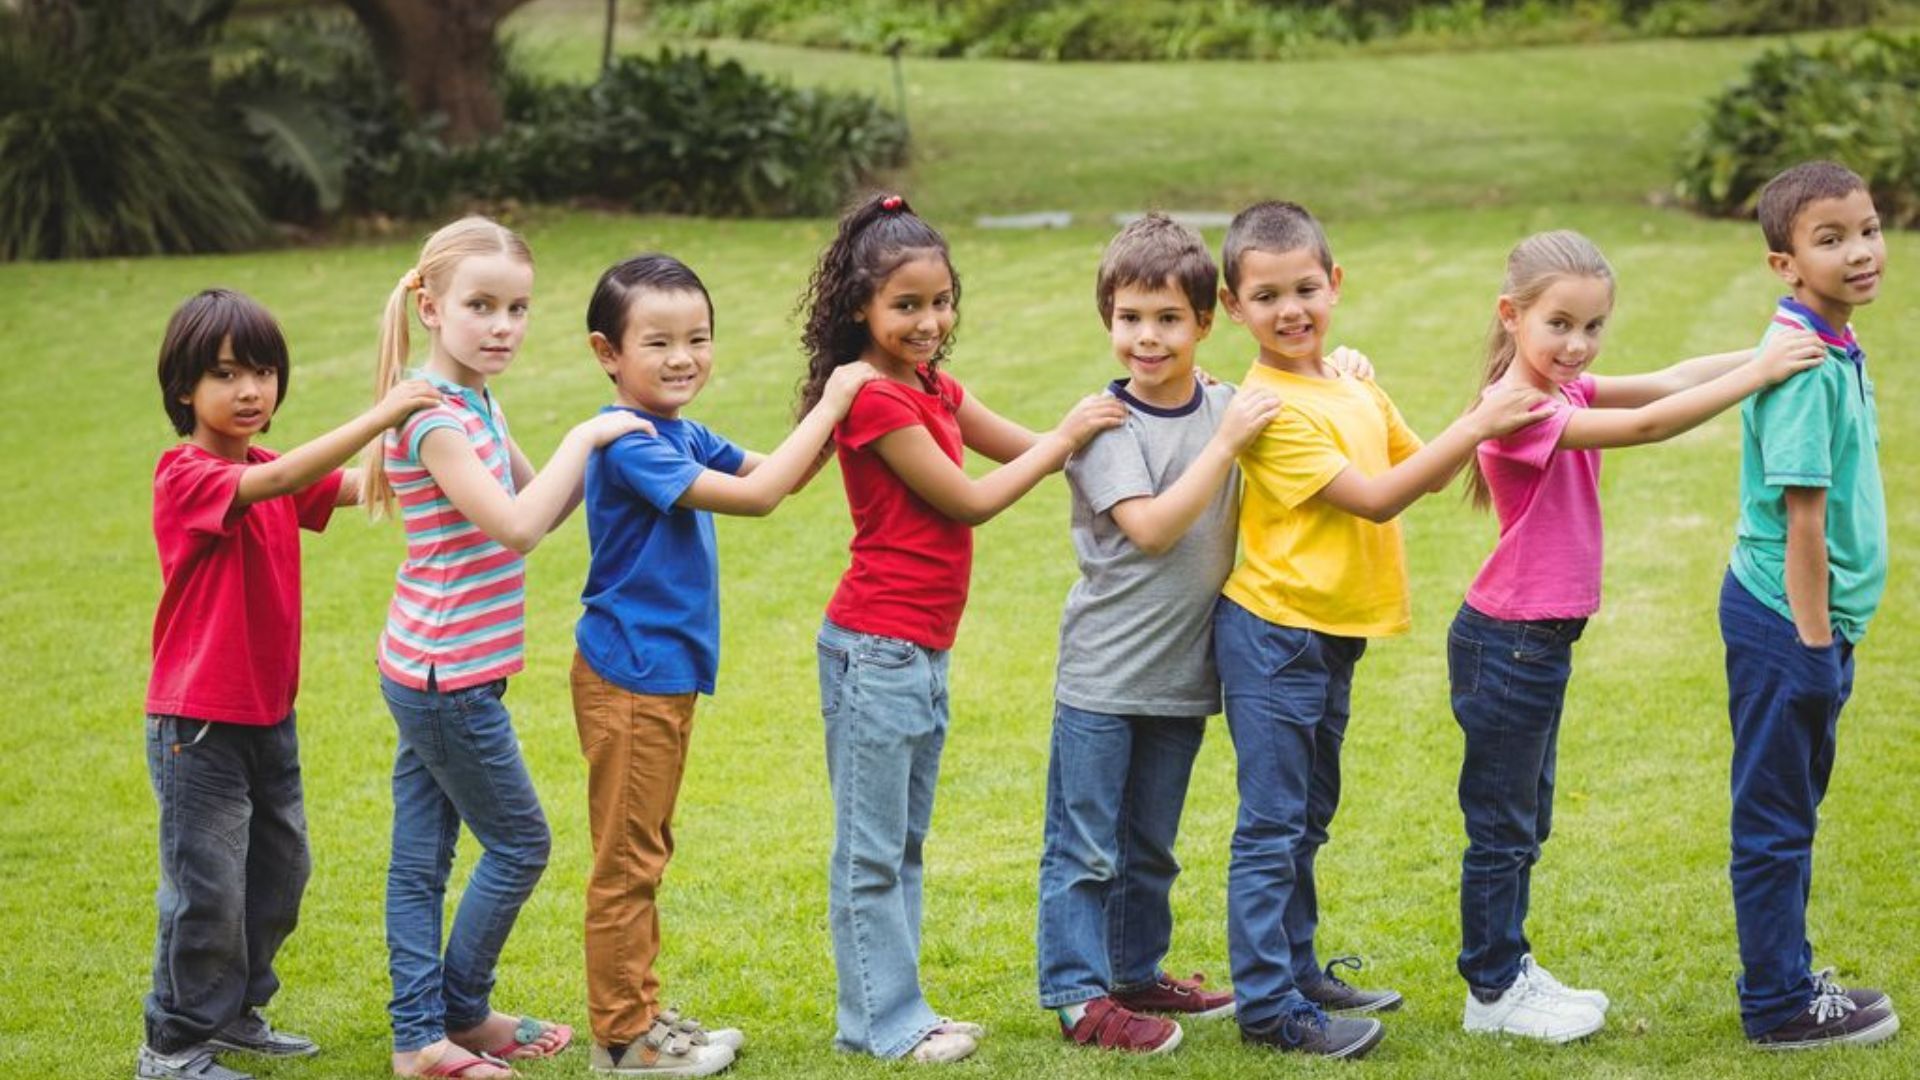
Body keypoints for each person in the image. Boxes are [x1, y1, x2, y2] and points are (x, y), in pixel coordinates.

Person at [1450, 230, 1824, 1043]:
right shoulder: (1519, 409)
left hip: (1534, 643)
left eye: (1593, 327)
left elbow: (1668, 379)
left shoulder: (1564, 387)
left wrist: (1769, 344)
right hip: (1508, 642)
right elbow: (1653, 424)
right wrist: (1760, 375)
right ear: (1511, 316)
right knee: (1504, 827)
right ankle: (1492, 990)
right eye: (1560, 325)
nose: (1578, 345)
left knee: (1526, 820)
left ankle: (1507, 969)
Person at [1211, 200, 1546, 1059]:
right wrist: (1479, 421)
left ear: (1335, 284)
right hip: (1275, 631)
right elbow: (1379, 496)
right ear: (1233, 306)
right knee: (1273, 823)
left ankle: (1297, 971)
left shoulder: (1347, 383)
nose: (1291, 310)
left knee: (1308, 816)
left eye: (1306, 288)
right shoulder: (1268, 408)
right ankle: (1268, 1009)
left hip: (1329, 632)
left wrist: (1392, 393)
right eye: (1267, 296)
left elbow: (1419, 469)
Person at [796, 193, 1124, 1063]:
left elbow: (1025, 446)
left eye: (940, 302)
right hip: (875, 649)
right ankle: (881, 1022)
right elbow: (971, 498)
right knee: (871, 854)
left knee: (903, 846)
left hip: (919, 652)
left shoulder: (933, 386)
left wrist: (1122, 432)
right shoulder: (874, 404)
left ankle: (899, 1008)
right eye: (906, 305)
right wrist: (1065, 439)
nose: (930, 320)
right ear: (860, 309)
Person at [569, 253, 877, 1076]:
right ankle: (624, 1040)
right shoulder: (633, 444)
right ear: (608, 352)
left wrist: (840, 381)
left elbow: (789, 470)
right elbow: (760, 496)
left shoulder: (680, 431)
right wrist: (841, 396)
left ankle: (639, 1014)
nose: (683, 358)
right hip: (630, 675)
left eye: (698, 339)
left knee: (646, 848)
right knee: (627, 861)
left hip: (660, 674)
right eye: (659, 342)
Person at [367, 217, 651, 1080]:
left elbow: (546, 502)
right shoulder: (430, 417)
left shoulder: (476, 400)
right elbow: (521, 528)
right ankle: (440, 1023)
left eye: (518, 309)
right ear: (429, 306)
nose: (503, 326)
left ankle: (438, 1025)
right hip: (442, 672)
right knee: (521, 844)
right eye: (481, 306)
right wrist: (589, 434)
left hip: (448, 668)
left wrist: (624, 445)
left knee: (423, 857)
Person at [141, 288, 440, 1080]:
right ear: (184, 389)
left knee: (279, 873)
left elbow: (356, 486)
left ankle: (233, 1012)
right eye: (227, 374)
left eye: (264, 373)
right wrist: (380, 416)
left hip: (268, 716)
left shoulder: (270, 467)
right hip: (196, 725)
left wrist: (433, 445)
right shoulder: (188, 475)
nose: (250, 391)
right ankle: (170, 1045)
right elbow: (278, 486)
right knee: (206, 889)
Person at [1037, 214, 1278, 1054]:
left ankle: (1133, 970)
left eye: (1169, 318)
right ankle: (1076, 993)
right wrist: (1228, 441)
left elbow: (1305, 390)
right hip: (1104, 675)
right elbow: (1153, 529)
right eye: (1131, 318)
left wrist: (1343, 368)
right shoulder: (1106, 427)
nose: (1148, 336)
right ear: (1108, 320)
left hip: (1181, 675)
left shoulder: (1222, 403)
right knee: (1085, 847)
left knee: (1149, 846)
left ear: (1205, 324)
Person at [1720, 160, 1898, 1050]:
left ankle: (1786, 978)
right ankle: (1780, 1002)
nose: (1860, 251)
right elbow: (1803, 522)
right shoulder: (1805, 369)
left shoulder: (1824, 341)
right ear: (1784, 264)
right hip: (1790, 621)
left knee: (1791, 807)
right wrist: (1817, 647)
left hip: (1809, 624)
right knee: (1779, 816)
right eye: (1830, 240)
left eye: (1867, 228)